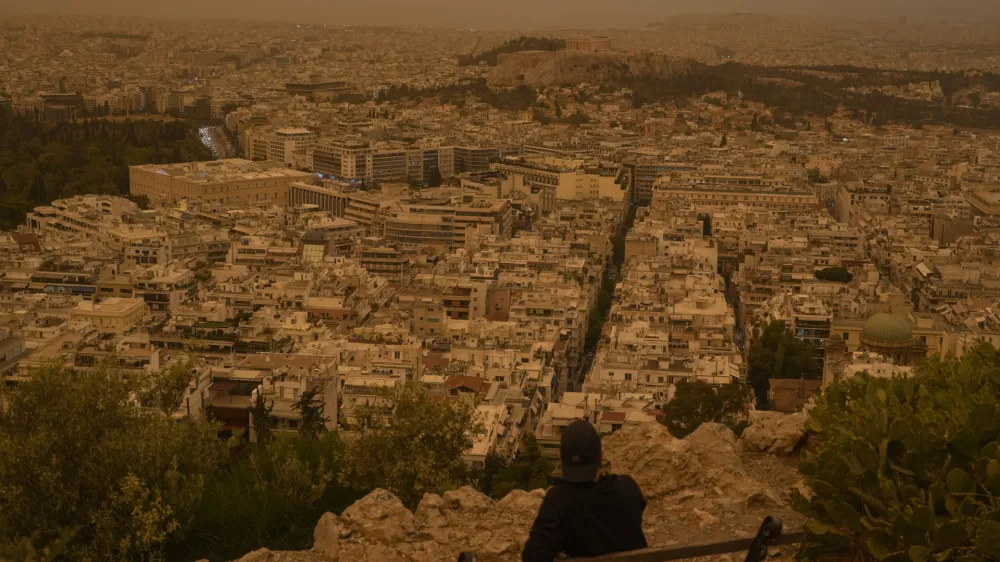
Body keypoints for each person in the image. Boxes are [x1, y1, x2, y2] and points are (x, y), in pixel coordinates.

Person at [522, 419, 647, 562]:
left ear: (560, 458)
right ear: (600, 456)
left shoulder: (558, 501)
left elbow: (532, 557)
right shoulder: (627, 487)